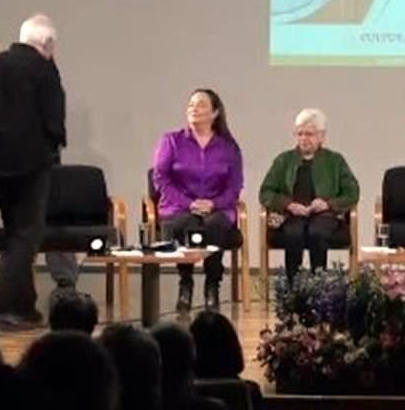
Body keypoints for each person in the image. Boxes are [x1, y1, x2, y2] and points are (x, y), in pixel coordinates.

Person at [0, 14, 66, 328]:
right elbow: (53, 117)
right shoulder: (43, 70)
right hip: (31, 163)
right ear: (47, 43)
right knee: (28, 234)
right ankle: (5, 306)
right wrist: (54, 146)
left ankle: (24, 304)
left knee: (15, 231)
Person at [152, 88, 243, 312]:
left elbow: (235, 185)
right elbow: (161, 178)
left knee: (215, 226)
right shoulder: (172, 141)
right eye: (191, 104)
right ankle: (186, 283)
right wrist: (188, 203)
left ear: (215, 113)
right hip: (179, 207)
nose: (194, 108)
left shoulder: (228, 147)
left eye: (201, 104)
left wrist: (214, 204)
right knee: (186, 225)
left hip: (217, 206)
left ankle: (212, 285)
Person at [259, 108, 359, 283]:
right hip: (292, 215)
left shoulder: (335, 161)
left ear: (321, 136)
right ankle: (293, 288)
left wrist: (328, 204)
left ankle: (318, 286)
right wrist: (288, 204)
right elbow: (265, 192)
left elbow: (352, 192)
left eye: (309, 134)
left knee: (317, 232)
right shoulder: (284, 160)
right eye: (300, 134)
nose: (303, 138)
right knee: (293, 233)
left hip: (325, 215)